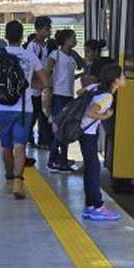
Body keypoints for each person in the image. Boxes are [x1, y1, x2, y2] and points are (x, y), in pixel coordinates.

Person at [0, 20, 50, 200]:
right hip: (24, 109)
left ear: (6, 35)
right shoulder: (30, 56)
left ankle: (9, 179)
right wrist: (30, 84)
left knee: (6, 147)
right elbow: (45, 82)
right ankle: (18, 181)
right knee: (20, 146)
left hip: (2, 108)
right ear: (22, 36)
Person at [79, 64, 124, 221]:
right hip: (89, 134)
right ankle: (97, 207)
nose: (124, 78)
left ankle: (89, 206)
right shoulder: (107, 97)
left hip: (82, 132)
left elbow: (79, 92)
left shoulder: (95, 87)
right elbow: (91, 112)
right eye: (122, 76)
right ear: (115, 80)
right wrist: (105, 116)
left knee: (90, 169)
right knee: (93, 170)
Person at [46, 29, 83, 173]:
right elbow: (47, 71)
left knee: (65, 129)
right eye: (73, 38)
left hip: (68, 95)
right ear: (66, 40)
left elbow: (79, 66)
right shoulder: (55, 54)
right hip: (58, 95)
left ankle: (62, 161)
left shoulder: (72, 56)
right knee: (60, 129)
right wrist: (47, 90)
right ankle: (52, 160)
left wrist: (75, 56)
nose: (75, 40)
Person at [25, 15, 53, 150]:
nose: (49, 31)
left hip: (41, 88)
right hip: (33, 90)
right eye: (47, 28)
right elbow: (30, 67)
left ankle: (41, 141)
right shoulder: (33, 46)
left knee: (41, 116)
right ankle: (26, 140)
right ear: (39, 29)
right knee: (34, 117)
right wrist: (36, 83)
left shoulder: (44, 45)